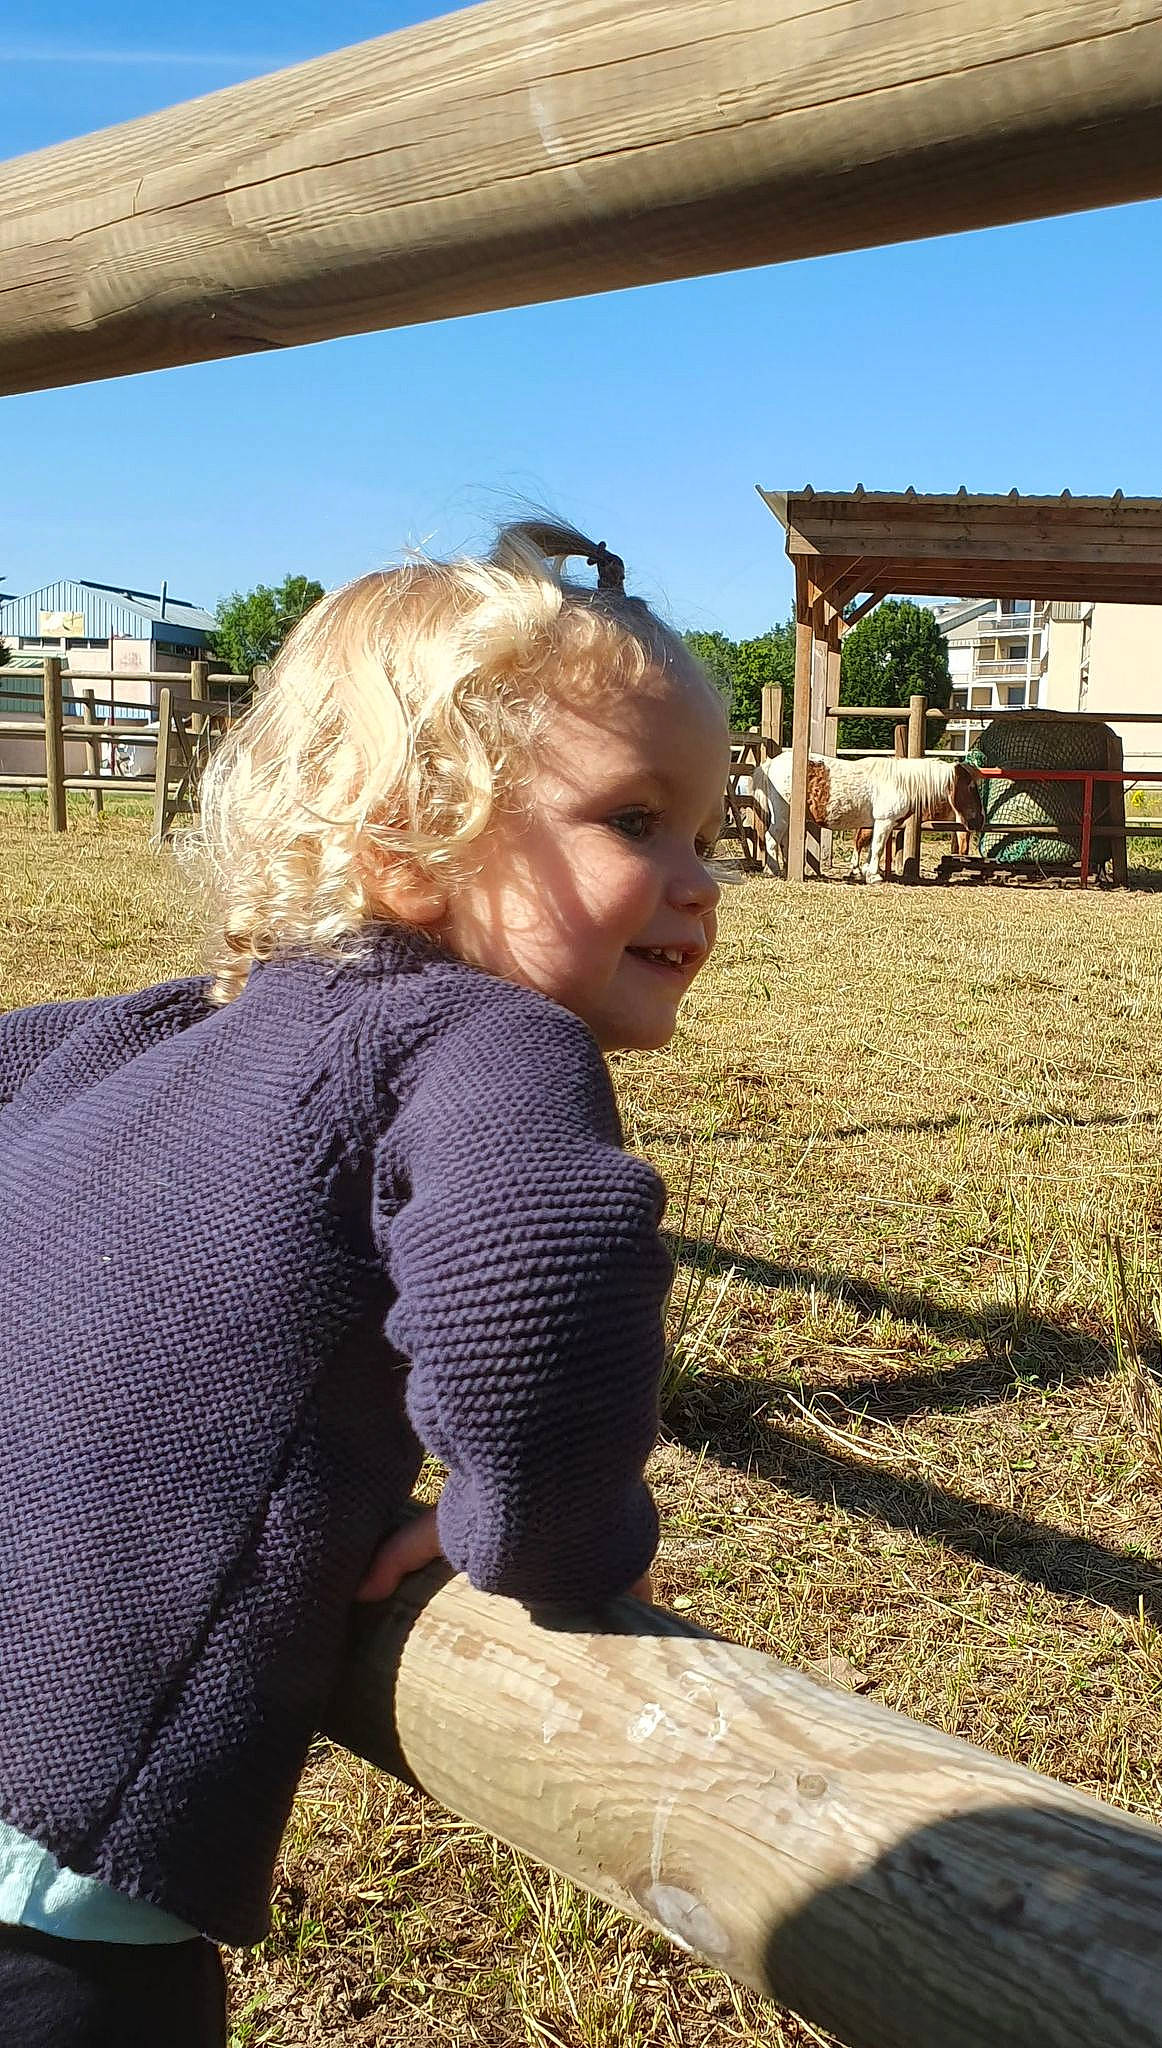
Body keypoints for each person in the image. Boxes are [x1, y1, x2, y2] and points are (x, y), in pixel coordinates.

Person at [0, 521, 729, 2046]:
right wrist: (542, 1539)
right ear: (413, 837)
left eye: (711, 833)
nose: (699, 882)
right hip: (51, 1871)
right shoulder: (476, 1037)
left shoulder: (156, 1030)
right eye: (636, 821)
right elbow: (545, 1276)